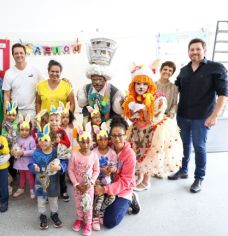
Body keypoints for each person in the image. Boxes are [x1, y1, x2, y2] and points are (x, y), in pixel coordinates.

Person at [168, 38, 228, 193]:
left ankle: (199, 177)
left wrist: (215, 115)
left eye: (197, 49)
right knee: (184, 145)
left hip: (202, 117)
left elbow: (223, 94)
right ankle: (183, 170)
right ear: (188, 52)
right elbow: (175, 90)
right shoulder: (184, 70)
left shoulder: (216, 68)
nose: (194, 52)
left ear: (204, 50)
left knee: (199, 146)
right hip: (183, 115)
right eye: (191, 49)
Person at [122, 63, 182, 191]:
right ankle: (140, 176)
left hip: (154, 130)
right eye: (138, 84)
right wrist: (131, 109)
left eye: (144, 84)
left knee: (151, 154)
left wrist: (143, 110)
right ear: (134, 85)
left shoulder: (158, 98)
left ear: (149, 85)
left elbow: (154, 118)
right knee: (138, 153)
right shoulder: (132, 98)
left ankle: (146, 181)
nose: (141, 87)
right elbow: (131, 118)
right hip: (138, 130)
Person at [94, 116, 140, 229]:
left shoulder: (130, 155)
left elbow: (125, 182)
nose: (117, 139)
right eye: (114, 135)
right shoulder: (107, 146)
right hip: (106, 183)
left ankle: (132, 198)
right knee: (91, 209)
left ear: (126, 135)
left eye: (120, 135)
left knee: (109, 221)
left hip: (123, 189)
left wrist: (104, 190)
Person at [28, 123, 67, 230]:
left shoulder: (56, 152)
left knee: (53, 199)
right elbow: (30, 164)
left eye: (45, 140)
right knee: (41, 200)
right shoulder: (36, 153)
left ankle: (54, 214)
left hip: (53, 182)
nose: (42, 142)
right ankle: (42, 215)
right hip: (40, 182)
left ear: (51, 140)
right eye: (40, 140)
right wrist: (33, 167)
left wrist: (59, 167)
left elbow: (64, 162)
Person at [77, 38, 124, 125]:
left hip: (108, 122)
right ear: (90, 79)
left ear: (105, 79)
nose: (97, 82)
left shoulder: (113, 91)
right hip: (90, 123)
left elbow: (118, 110)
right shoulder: (86, 89)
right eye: (94, 79)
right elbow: (82, 104)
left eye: (100, 79)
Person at [68, 122, 100, 236]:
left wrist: (91, 183)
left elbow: (96, 171)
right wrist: (76, 184)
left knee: (88, 205)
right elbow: (70, 170)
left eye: (88, 142)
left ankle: (88, 223)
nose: (85, 144)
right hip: (78, 187)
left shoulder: (94, 156)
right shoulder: (74, 154)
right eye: (82, 142)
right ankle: (79, 219)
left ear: (91, 141)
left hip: (88, 187)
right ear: (78, 141)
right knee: (78, 204)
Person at [2, 43, 44, 118]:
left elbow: (45, 85)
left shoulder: (35, 70)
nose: (19, 55)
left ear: (25, 54)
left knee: (31, 130)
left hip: (31, 111)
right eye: (16, 53)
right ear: (13, 55)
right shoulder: (8, 73)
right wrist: (6, 115)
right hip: (14, 112)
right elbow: (6, 96)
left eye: (21, 53)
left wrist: (62, 80)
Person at [91, 122, 117, 231]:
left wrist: (111, 170)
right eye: (100, 139)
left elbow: (115, 166)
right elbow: (91, 168)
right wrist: (101, 170)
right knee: (100, 196)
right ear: (96, 140)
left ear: (108, 139)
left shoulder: (112, 153)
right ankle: (95, 217)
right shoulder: (94, 152)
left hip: (107, 180)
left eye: (105, 139)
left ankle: (101, 210)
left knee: (112, 197)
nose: (102, 142)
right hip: (96, 179)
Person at [11, 113, 36, 199]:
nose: (24, 132)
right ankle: (21, 188)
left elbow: (33, 151)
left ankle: (32, 189)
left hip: (28, 163)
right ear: (19, 129)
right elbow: (15, 146)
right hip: (20, 162)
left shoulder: (31, 139)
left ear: (30, 130)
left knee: (30, 177)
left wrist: (23, 153)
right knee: (21, 175)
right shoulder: (18, 138)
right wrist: (13, 151)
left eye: (26, 130)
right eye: (22, 130)